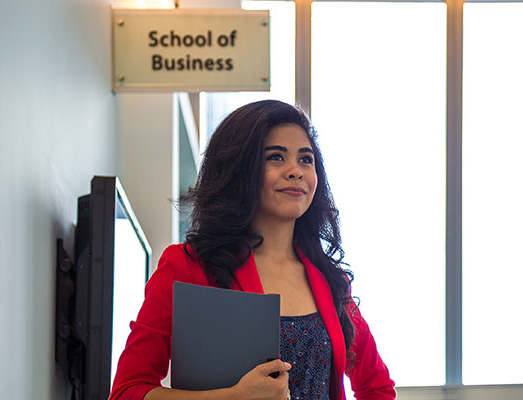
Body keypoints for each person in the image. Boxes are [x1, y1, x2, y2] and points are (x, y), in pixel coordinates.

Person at [109, 100, 396, 400]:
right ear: (239, 169)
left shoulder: (332, 282)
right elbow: (128, 391)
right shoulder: (188, 267)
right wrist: (233, 397)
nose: (295, 171)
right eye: (276, 157)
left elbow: (377, 388)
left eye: (306, 159)